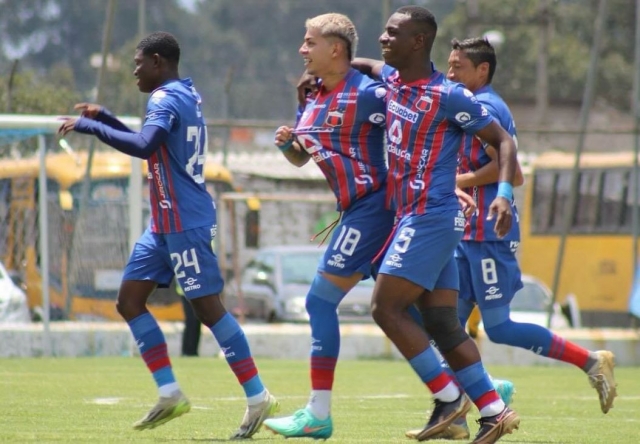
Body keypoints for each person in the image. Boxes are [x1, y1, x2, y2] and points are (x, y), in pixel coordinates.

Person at [57, 31, 278, 438]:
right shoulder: (184, 94)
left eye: (138, 64)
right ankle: (169, 392)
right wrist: (106, 118)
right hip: (163, 223)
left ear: (157, 61)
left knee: (208, 311)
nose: (135, 72)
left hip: (184, 221)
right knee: (129, 301)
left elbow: (144, 146)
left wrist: (91, 127)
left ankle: (257, 396)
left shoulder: (163, 98)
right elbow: (156, 142)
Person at [352, 6, 521, 443]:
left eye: (393, 33)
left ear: (418, 41)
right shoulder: (392, 79)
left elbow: (503, 142)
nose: (383, 38)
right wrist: (329, 66)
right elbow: (365, 65)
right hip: (422, 218)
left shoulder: (449, 95)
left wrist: (503, 194)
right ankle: (495, 411)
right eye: (384, 31)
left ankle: (448, 397)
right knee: (443, 323)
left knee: (385, 308)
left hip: (430, 218)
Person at [446, 36, 616, 421]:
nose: (450, 73)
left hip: (488, 235)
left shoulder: (486, 108)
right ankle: (472, 402)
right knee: (446, 326)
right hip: (466, 234)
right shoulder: (469, 105)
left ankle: (590, 362)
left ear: (482, 70)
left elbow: (513, 172)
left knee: (499, 327)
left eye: (458, 67)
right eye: (449, 65)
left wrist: (460, 181)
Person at [261, 13, 396, 440]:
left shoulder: (369, 93)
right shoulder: (312, 95)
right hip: (357, 210)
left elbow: (415, 104)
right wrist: (289, 145)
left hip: (375, 207)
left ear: (336, 49)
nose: (302, 49)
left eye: (310, 42)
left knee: (319, 302)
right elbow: (302, 158)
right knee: (407, 311)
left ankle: (318, 413)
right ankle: (481, 386)